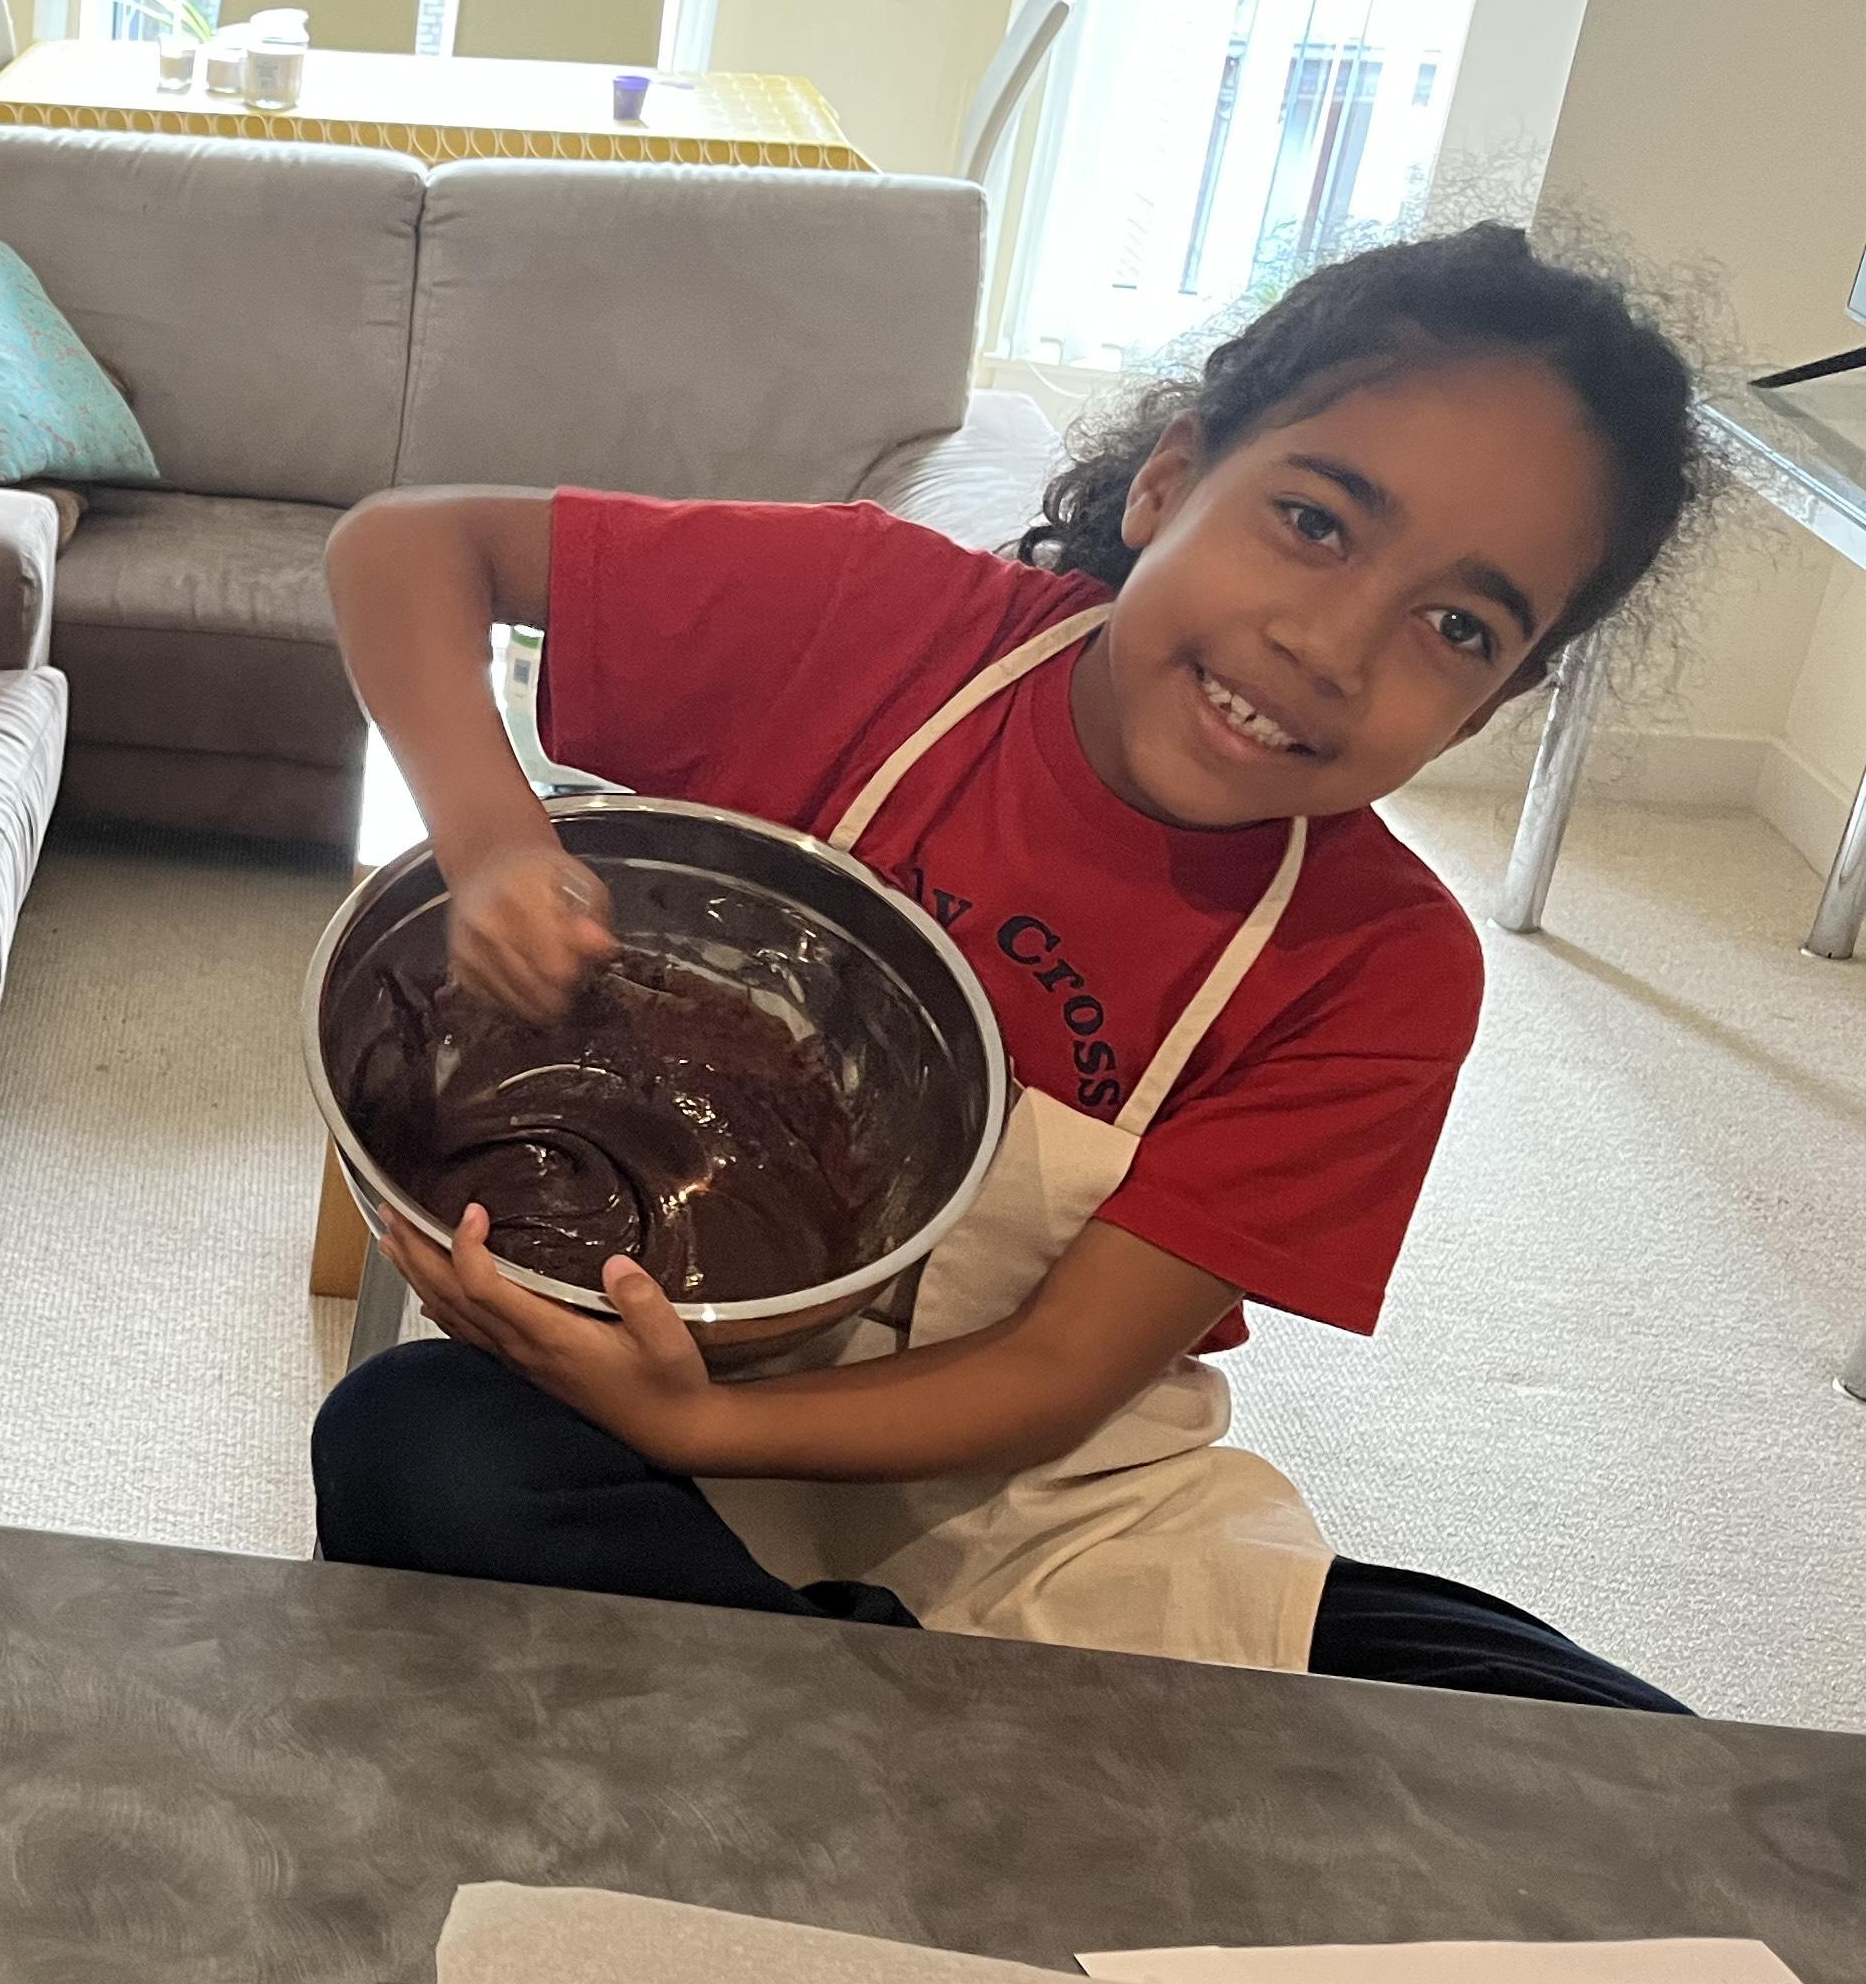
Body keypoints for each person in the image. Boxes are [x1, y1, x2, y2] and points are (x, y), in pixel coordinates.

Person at [312, 224, 1700, 1708]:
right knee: (418, 1445)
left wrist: (704, 1432)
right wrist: (494, 841)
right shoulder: (875, 623)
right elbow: (405, 549)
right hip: (632, 1398)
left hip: (1045, 1507)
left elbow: (1056, 1376)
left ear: (1491, 706)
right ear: (1170, 479)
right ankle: (916, 1736)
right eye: (1314, 521)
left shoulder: (1378, 968)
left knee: (1628, 1763)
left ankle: (811, 1714)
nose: (1333, 647)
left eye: (1457, 626)